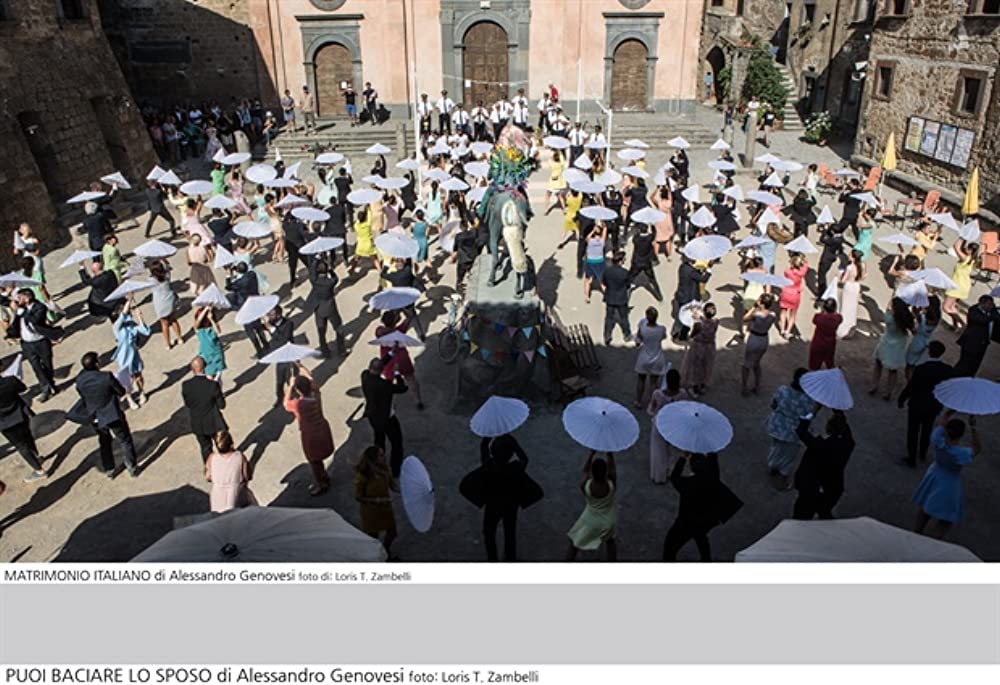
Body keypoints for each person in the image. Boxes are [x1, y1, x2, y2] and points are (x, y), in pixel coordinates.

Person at [912, 411, 980, 540]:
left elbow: (943, 419)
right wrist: (973, 426)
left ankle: (915, 534)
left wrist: (952, 409)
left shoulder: (938, 439)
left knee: (925, 507)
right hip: (950, 482)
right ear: (961, 435)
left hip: (934, 474)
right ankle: (932, 542)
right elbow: (977, 448)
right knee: (946, 518)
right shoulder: (961, 453)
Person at [662, 453, 741, 561]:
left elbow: (674, 477)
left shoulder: (687, 484)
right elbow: (713, 462)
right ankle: (706, 560)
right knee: (700, 536)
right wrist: (710, 450)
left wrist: (683, 457)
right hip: (706, 520)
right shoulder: (712, 478)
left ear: (691, 467)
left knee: (669, 548)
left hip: (685, 522)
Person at [72, 351, 139, 477]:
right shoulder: (106, 377)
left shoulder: (80, 381)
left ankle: (109, 469)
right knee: (124, 440)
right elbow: (121, 392)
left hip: (95, 416)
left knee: (104, 441)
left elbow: (83, 396)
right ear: (96, 363)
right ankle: (132, 467)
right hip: (111, 414)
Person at [898, 341, 953, 467]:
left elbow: (911, 387)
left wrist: (902, 398)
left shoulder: (921, 369)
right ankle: (922, 453)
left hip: (917, 403)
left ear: (929, 352)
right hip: (933, 405)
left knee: (913, 431)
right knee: (927, 430)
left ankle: (911, 458)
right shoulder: (947, 370)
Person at [792, 410, 854, 520]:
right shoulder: (848, 443)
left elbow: (801, 431)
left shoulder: (819, 445)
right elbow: (845, 430)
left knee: (802, 514)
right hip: (832, 486)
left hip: (810, 487)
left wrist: (812, 412)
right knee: (824, 510)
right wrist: (839, 413)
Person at [283, 365, 335, 496]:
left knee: (314, 460)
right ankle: (324, 477)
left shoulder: (298, 404)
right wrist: (300, 366)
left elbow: (285, 403)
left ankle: (321, 483)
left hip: (310, 434)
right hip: (322, 428)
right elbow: (311, 377)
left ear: (298, 391)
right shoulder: (316, 395)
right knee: (319, 457)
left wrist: (290, 386)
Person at [480, 434, 531, 562]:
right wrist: (510, 438)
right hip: (511, 505)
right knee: (510, 531)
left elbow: (483, 446)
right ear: (511, 454)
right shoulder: (516, 468)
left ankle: (492, 559)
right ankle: (510, 557)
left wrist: (491, 433)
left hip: (492, 506)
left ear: (492, 452)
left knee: (489, 532)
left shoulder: (488, 465)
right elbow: (524, 458)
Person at [7, 289, 61, 401]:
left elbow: (35, 320)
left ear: (27, 298)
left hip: (41, 341)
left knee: (47, 365)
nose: (18, 300)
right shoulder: (20, 309)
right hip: (27, 343)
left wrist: (21, 312)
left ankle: (51, 384)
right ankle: (45, 389)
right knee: (36, 367)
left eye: (20, 297)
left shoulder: (39, 307)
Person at [766, 368, 813, 490]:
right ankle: (782, 480)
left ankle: (773, 466)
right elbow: (808, 417)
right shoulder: (808, 399)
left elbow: (773, 405)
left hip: (776, 425)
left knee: (776, 447)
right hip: (793, 431)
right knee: (789, 457)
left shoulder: (782, 390)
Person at [566, 452, 618, 561]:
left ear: (592, 472)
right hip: (609, 520)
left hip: (590, 519)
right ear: (606, 472)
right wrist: (609, 453)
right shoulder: (611, 483)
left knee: (575, 542)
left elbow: (585, 470)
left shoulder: (586, 485)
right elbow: (612, 467)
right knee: (610, 541)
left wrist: (591, 453)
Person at [361, 357, 407, 476]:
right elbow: (403, 388)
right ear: (381, 371)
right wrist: (397, 373)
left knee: (379, 441)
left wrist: (390, 354)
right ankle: (395, 470)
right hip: (387, 419)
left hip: (373, 416)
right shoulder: (385, 385)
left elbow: (378, 366)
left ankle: (378, 465)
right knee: (396, 443)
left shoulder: (365, 376)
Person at [0, 374, 47, 482]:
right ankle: (36, 456)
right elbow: (23, 388)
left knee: (21, 446)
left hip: (4, 423)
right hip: (20, 414)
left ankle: (39, 471)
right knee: (27, 435)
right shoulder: (10, 380)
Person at [181, 355, 228, 463]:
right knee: (222, 445)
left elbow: (188, 404)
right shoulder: (212, 385)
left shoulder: (186, 385)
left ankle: (210, 470)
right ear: (205, 368)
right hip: (214, 422)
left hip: (198, 423)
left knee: (205, 448)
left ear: (192, 369)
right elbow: (222, 405)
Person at [355, 445, 399, 556]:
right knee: (373, 537)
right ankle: (378, 555)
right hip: (371, 512)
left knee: (392, 532)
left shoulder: (385, 468)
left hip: (385, 508)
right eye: (381, 455)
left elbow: (392, 485)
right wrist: (377, 500)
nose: (384, 457)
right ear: (373, 459)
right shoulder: (363, 476)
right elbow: (358, 496)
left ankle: (385, 551)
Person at [647, 369, 689, 484]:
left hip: (660, 425)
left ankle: (659, 475)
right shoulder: (683, 394)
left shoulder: (657, 394)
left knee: (659, 450)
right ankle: (672, 471)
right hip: (675, 425)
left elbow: (652, 409)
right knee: (674, 450)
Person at [375, 310, 424, 409]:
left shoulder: (380, 331)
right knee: (411, 379)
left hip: (388, 360)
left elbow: (381, 330)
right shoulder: (400, 330)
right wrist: (403, 309)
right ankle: (418, 400)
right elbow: (410, 317)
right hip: (402, 358)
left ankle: (391, 405)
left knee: (389, 383)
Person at [870, 297, 915, 400]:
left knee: (878, 364)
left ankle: (874, 385)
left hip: (886, 341)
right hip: (898, 345)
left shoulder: (889, 317)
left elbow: (885, 315)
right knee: (893, 370)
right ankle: (889, 391)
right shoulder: (907, 318)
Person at [112, 300, 151, 409]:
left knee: (138, 376)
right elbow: (123, 314)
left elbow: (145, 331)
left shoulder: (131, 325)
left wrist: (140, 318)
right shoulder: (117, 327)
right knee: (126, 380)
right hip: (124, 357)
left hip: (134, 355)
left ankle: (141, 392)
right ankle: (129, 399)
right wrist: (129, 301)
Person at [205, 430, 255, 513]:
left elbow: (208, 477)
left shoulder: (212, 458)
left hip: (217, 495)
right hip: (236, 493)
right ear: (231, 444)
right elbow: (247, 476)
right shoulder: (240, 456)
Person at [225, 262, 268, 357]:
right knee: (258, 326)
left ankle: (259, 350)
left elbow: (228, 287)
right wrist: (236, 269)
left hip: (245, 307)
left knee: (250, 330)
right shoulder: (252, 275)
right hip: (255, 304)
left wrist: (228, 275)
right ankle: (266, 344)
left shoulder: (240, 283)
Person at [306, 259, 345, 357]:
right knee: (338, 327)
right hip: (330, 308)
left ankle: (325, 351)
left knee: (321, 331)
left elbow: (311, 271)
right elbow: (336, 278)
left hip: (319, 308)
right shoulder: (330, 282)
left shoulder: (314, 281)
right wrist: (331, 270)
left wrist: (316, 260)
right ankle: (341, 350)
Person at [954, 295, 1000, 377]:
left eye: (991, 305)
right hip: (971, 342)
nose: (990, 306)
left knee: (975, 365)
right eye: (989, 304)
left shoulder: (992, 311)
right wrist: (993, 316)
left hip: (983, 343)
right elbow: (983, 320)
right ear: (982, 304)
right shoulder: (974, 311)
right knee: (964, 364)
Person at [742, 293, 777, 396]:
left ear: (761, 304)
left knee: (746, 365)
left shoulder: (757, 315)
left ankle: (744, 387)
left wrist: (754, 307)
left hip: (754, 338)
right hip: (764, 339)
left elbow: (745, 318)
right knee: (757, 363)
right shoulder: (773, 315)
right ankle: (757, 386)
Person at [634, 306, 668, 408]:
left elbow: (638, 341)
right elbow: (664, 337)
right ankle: (652, 402)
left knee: (641, 380)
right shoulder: (662, 329)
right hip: (657, 357)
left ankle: (638, 401)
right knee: (653, 382)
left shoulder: (642, 328)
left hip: (644, 357)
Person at [942, 240, 979, 330]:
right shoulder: (973, 260)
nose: (966, 249)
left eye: (968, 248)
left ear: (971, 250)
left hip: (957, 284)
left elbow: (956, 246)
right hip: (963, 284)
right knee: (952, 306)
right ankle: (955, 326)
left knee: (946, 307)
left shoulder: (965, 258)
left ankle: (962, 324)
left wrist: (962, 236)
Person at [670, 256, 708, 341]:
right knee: (687, 318)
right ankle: (682, 336)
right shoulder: (691, 271)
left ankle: (675, 332)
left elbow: (694, 275)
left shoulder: (683, 267)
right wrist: (709, 270)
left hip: (681, 295)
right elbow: (703, 279)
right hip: (689, 298)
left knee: (680, 316)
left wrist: (698, 271)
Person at [264, 305, 294, 403]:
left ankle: (293, 397)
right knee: (279, 380)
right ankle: (279, 397)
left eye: (272, 315)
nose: (270, 317)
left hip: (288, 356)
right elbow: (263, 327)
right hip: (279, 356)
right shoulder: (271, 322)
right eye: (269, 315)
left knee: (289, 379)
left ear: (279, 315)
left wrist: (272, 329)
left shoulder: (289, 324)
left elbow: (284, 340)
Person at [601, 251, 632, 345]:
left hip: (610, 296)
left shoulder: (607, 271)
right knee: (624, 317)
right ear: (620, 261)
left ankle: (607, 336)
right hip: (621, 297)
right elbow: (628, 285)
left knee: (609, 318)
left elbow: (604, 282)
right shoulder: (625, 273)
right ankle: (627, 334)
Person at [906, 295, 941, 376]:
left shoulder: (922, 318)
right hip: (926, 341)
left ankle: (909, 382)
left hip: (917, 341)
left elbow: (914, 312)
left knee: (909, 364)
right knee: (916, 364)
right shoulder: (937, 318)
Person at [629, 222, 662, 302]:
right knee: (653, 280)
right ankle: (659, 296)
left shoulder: (636, 239)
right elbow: (655, 233)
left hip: (637, 262)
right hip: (646, 262)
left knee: (629, 278)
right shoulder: (649, 238)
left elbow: (635, 235)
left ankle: (625, 293)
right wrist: (653, 225)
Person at [779, 253, 809, 339]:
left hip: (786, 292)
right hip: (795, 294)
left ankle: (782, 329)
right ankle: (788, 331)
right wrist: (804, 260)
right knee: (793, 315)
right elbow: (806, 265)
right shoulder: (801, 273)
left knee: (783, 312)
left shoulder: (787, 271)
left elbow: (786, 271)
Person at [837, 249, 865, 339]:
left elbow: (843, 280)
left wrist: (840, 274)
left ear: (853, 258)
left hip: (849, 287)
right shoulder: (862, 265)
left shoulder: (849, 267)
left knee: (845, 307)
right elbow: (862, 277)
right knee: (852, 308)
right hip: (856, 286)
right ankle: (850, 329)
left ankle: (842, 330)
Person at [808, 298, 842, 370]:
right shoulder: (837, 318)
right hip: (830, 343)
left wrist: (821, 311)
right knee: (829, 362)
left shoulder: (819, 318)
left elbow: (814, 320)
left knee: (814, 365)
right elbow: (839, 317)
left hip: (818, 343)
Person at [193, 306, 226, 381]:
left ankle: (218, 391)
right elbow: (197, 322)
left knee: (218, 376)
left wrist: (211, 319)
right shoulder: (199, 330)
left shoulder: (211, 329)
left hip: (217, 355)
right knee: (209, 376)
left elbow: (218, 331)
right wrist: (206, 309)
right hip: (206, 356)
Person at [544, 150, 567, 215]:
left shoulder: (552, 164)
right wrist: (560, 153)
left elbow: (549, 162)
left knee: (547, 195)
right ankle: (564, 209)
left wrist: (550, 157)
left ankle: (546, 209)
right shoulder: (560, 164)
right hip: (559, 181)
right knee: (560, 196)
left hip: (552, 181)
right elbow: (563, 161)